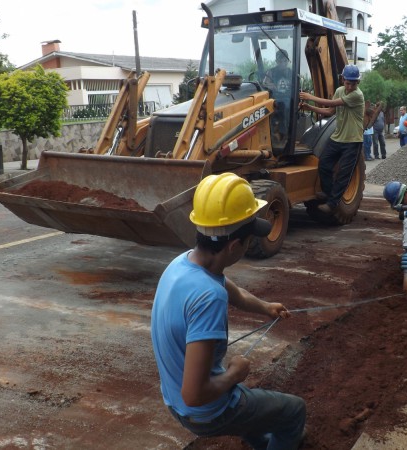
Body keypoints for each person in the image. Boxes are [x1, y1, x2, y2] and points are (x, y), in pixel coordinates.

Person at [151, 173, 306, 449]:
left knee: (254, 408)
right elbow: (194, 394)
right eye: (248, 240)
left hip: (172, 401)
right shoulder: (209, 298)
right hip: (205, 412)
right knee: (295, 410)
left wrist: (265, 307)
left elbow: (233, 291)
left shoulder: (183, 263)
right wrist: (236, 373)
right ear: (234, 246)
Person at [299, 64, 365, 215]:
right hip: (337, 138)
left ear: (358, 83)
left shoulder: (357, 95)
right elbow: (329, 111)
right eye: (347, 83)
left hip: (352, 140)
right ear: (342, 80)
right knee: (324, 164)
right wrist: (310, 108)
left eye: (353, 84)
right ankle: (329, 194)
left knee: (344, 173)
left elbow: (333, 103)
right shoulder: (339, 91)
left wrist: (310, 97)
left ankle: (332, 204)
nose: (350, 87)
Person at [263, 50, 293, 144]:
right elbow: (265, 84)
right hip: (274, 97)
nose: (283, 63)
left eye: (285, 61)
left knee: (286, 106)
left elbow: (296, 86)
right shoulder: (271, 72)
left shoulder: (291, 73)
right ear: (277, 61)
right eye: (280, 61)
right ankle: (272, 134)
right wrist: (271, 85)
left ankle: (285, 134)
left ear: (287, 61)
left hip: (288, 98)